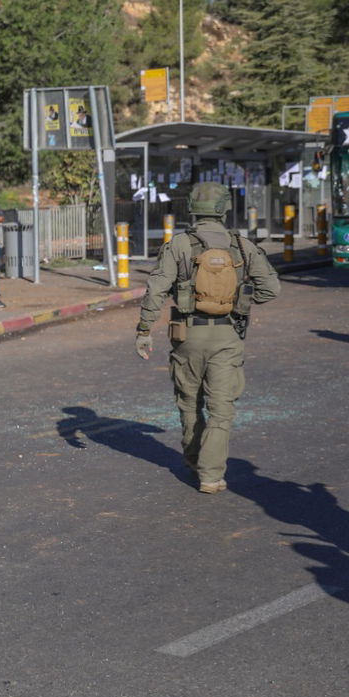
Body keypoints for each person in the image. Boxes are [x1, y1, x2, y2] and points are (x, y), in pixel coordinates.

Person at [134, 183, 279, 494]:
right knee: (221, 409)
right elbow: (271, 289)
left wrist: (144, 331)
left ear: (191, 208)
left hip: (187, 335)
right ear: (224, 210)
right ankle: (211, 476)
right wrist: (239, 298)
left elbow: (156, 290)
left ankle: (193, 458)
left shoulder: (180, 245)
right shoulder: (242, 246)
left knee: (189, 402)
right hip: (228, 335)